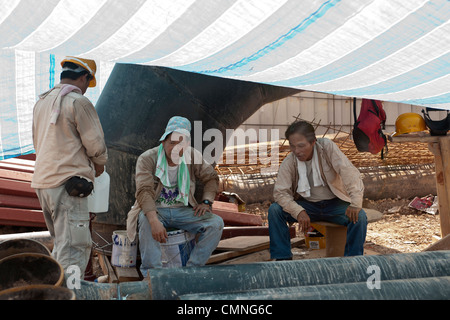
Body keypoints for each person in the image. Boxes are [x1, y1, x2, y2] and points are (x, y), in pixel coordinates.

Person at [32, 56, 107, 277]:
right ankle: (69, 294)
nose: (86, 89)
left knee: (62, 246)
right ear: (84, 77)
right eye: (87, 84)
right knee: (73, 250)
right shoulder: (78, 102)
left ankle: (58, 289)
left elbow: (38, 143)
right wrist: (99, 166)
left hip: (44, 183)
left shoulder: (42, 102)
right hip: (68, 185)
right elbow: (96, 145)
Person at [126, 116, 224, 276]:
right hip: (157, 210)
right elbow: (144, 191)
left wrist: (206, 201)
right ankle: (153, 276)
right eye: (172, 142)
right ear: (163, 142)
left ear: (187, 144)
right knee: (145, 220)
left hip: (183, 210)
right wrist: (153, 220)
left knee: (216, 223)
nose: (176, 148)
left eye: (181, 143)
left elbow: (211, 177)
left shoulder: (193, 156)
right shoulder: (147, 158)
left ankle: (192, 272)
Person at [268, 120, 367, 259]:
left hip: (334, 204)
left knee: (359, 217)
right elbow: (280, 193)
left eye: (301, 146)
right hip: (308, 207)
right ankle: (282, 260)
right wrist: (298, 211)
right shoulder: (290, 161)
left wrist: (355, 203)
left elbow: (349, 172)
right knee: (275, 210)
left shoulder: (326, 148)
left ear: (313, 142)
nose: (296, 151)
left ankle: (353, 261)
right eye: (292, 146)